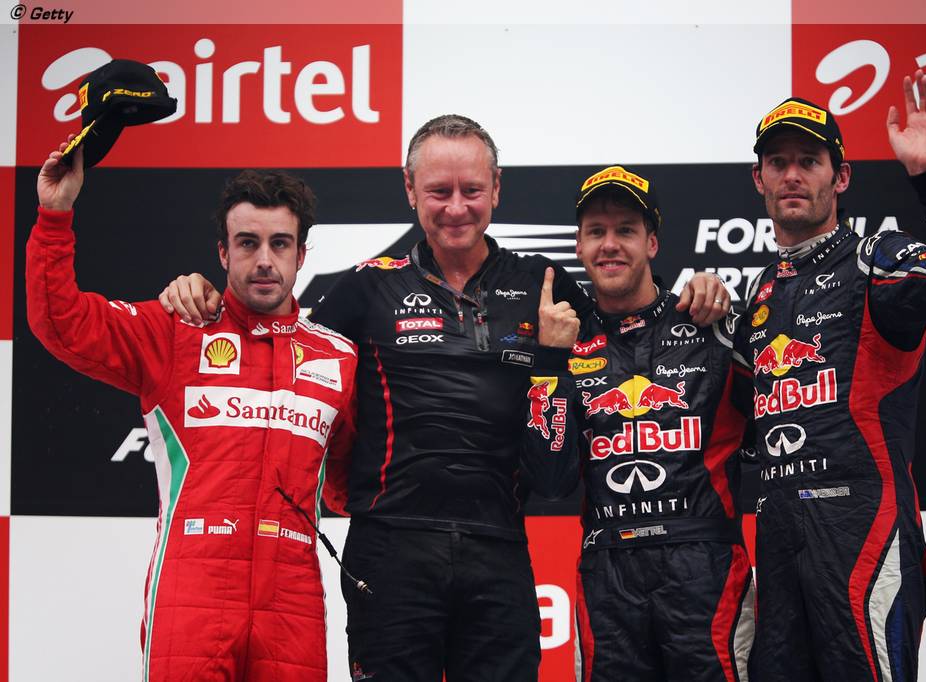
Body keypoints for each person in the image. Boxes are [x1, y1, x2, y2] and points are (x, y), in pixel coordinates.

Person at [158, 115, 728, 681]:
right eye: (439, 191)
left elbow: (629, 330)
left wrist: (697, 294)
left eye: (471, 190)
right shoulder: (366, 286)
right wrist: (209, 295)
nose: (456, 208)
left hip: (499, 547)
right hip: (391, 550)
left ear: (497, 188)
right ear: (410, 189)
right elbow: (277, 336)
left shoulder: (544, 284)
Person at [28, 139, 357, 682]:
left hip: (292, 599)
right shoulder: (176, 330)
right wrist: (55, 216)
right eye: (247, 243)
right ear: (223, 253)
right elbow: (62, 324)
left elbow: (354, 485)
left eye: (280, 243)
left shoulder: (338, 359)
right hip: (193, 593)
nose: (264, 260)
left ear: (302, 255)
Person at [731, 71, 926, 681]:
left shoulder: (875, 259)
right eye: (778, 163)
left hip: (862, 527)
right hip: (778, 534)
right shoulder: (761, 292)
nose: (792, 175)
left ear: (841, 177)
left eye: (809, 161)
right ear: (759, 179)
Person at [522, 165, 752, 682]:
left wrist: (717, 292)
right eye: (596, 232)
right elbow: (550, 480)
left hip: (705, 565)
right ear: (579, 246)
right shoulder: (565, 345)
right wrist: (550, 364)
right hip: (608, 573)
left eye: (625, 230)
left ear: (651, 242)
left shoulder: (708, 323)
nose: (610, 245)